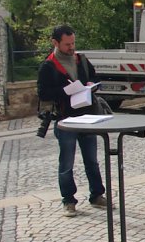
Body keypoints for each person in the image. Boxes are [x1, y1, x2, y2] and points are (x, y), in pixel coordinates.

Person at [37, 24, 106, 217]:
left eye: (73, 43)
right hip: (65, 119)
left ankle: (97, 195)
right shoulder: (48, 66)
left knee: (92, 160)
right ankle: (68, 200)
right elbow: (43, 93)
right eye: (67, 44)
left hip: (86, 116)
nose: (71, 47)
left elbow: (94, 77)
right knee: (66, 163)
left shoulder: (81, 59)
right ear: (55, 43)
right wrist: (65, 91)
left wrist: (92, 84)